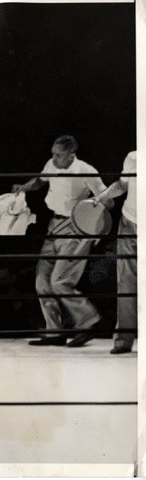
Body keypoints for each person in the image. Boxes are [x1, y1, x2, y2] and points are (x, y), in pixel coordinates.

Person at [12, 135, 110, 347]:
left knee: (61, 281)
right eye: (53, 153)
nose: (54, 158)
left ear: (71, 155)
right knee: (43, 279)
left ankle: (89, 322)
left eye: (59, 155)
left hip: (76, 226)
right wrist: (24, 187)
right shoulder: (52, 163)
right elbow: (40, 181)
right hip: (54, 225)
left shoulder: (86, 171)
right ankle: (54, 331)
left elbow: (107, 200)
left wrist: (94, 225)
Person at [93, 151, 137, 354]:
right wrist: (103, 196)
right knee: (126, 281)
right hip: (130, 221)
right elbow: (122, 184)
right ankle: (123, 338)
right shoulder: (134, 157)